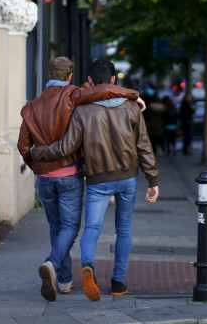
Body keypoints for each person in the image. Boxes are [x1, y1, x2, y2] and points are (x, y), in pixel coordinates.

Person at [16, 57, 144, 301]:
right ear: (70, 76)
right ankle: (53, 264)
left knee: (56, 227)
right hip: (70, 172)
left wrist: (38, 167)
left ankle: (64, 281)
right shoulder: (72, 95)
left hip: (45, 176)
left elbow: (24, 146)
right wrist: (133, 95)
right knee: (71, 227)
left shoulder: (30, 107)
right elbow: (104, 89)